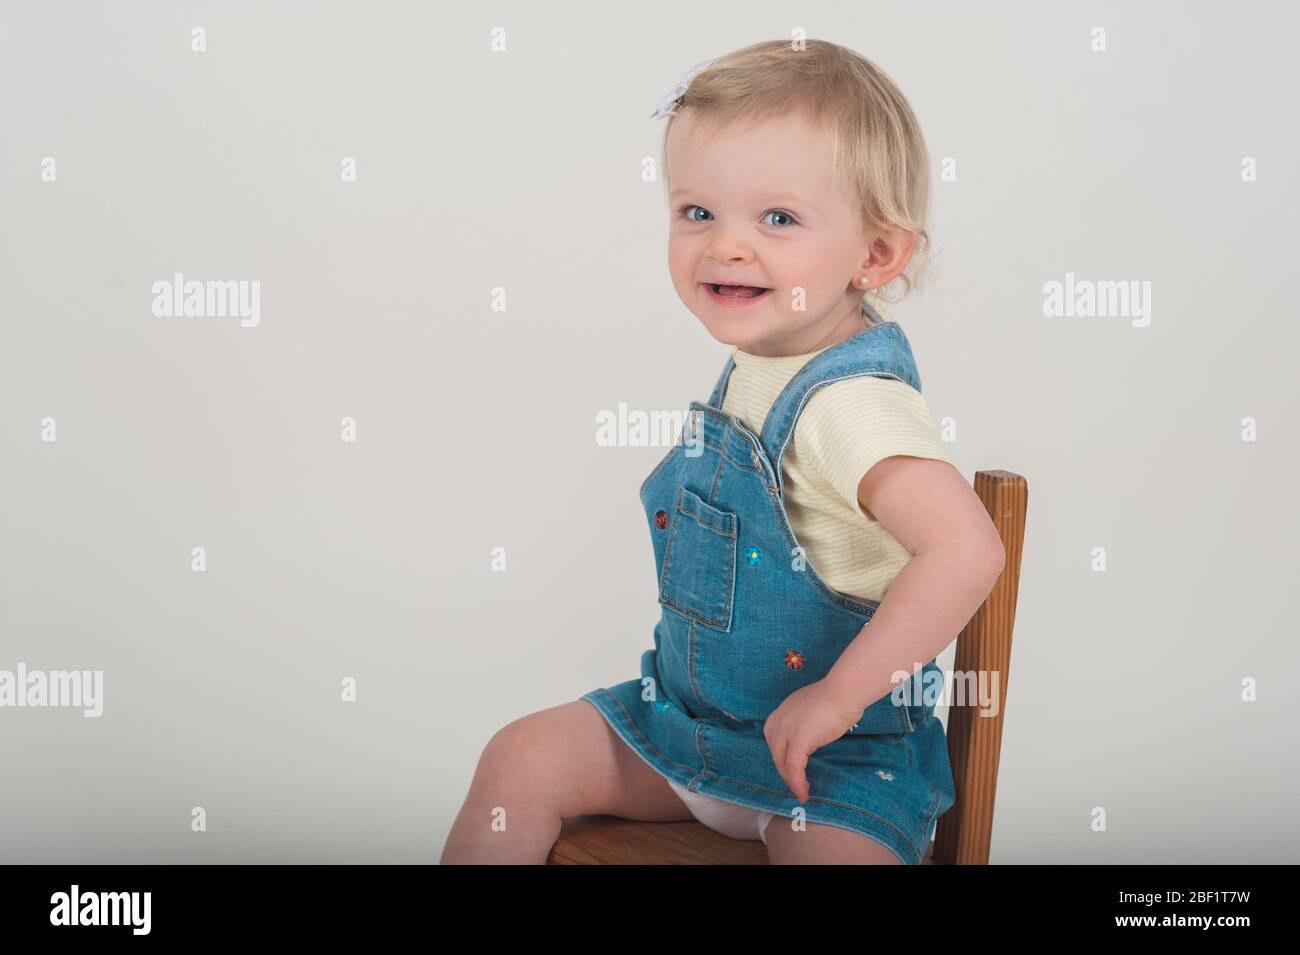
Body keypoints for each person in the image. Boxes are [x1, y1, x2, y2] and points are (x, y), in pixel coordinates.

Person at [441, 38, 1006, 865]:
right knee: (519, 758)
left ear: (875, 255)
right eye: (697, 212)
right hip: (688, 726)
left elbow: (966, 549)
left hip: (834, 763)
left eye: (778, 218)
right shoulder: (767, 351)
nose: (727, 246)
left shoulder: (852, 405)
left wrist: (838, 698)